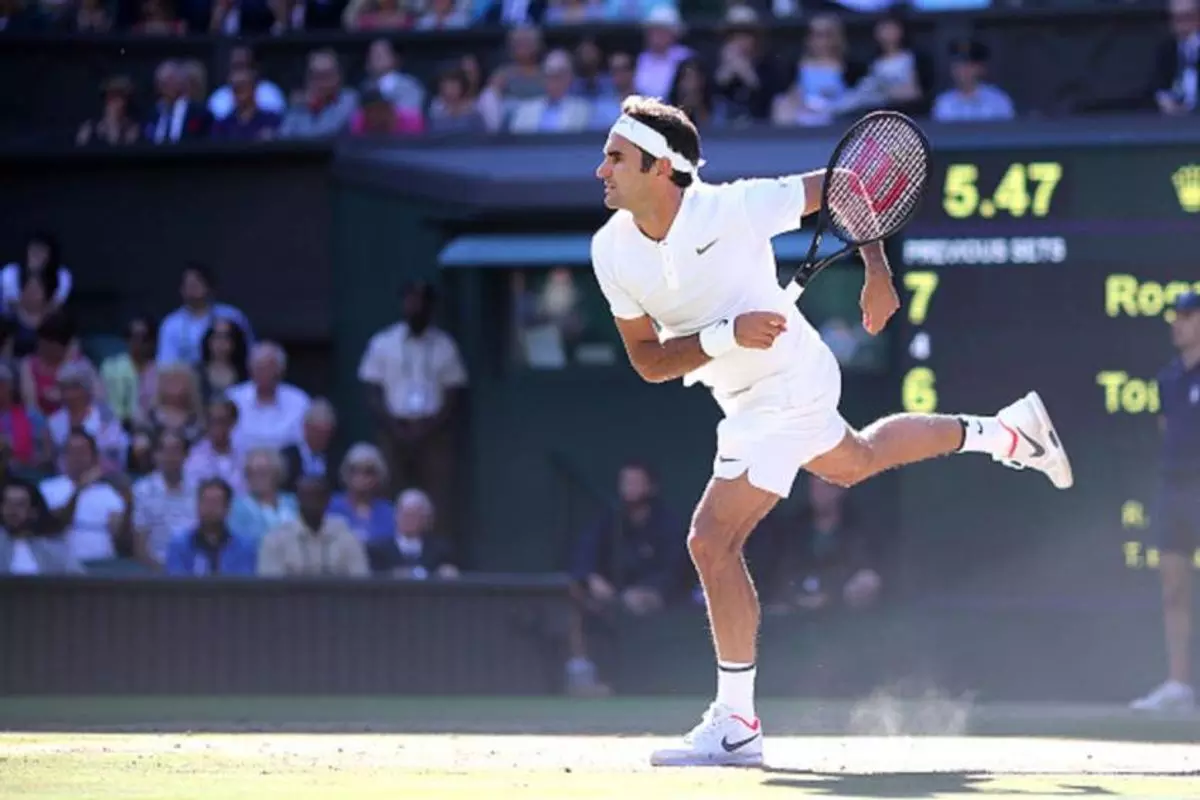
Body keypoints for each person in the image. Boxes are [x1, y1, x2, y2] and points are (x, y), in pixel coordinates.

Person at [589, 96, 1074, 767]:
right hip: (743, 393)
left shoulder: (734, 208)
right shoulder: (610, 251)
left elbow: (846, 184)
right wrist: (726, 335)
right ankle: (1006, 434)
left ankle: (736, 723)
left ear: (660, 167)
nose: (600, 170)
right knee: (856, 459)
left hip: (786, 382)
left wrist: (877, 271)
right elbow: (648, 361)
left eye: (615, 157)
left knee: (710, 540)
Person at [1131, 291, 1200, 712]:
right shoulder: (1169, 379)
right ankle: (1178, 684)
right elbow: (1165, 430)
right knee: (1173, 588)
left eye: (1189, 316)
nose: (1179, 323)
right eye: (1176, 316)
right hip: (1175, 491)